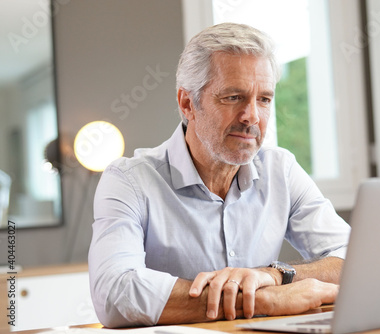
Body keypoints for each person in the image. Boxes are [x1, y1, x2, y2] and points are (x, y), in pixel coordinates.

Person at [88, 22, 351, 328]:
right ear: (188, 104)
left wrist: (274, 275)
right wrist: (263, 300)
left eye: (264, 99)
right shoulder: (129, 180)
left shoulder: (281, 169)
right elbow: (114, 294)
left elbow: (355, 259)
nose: (251, 116)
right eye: (233, 97)